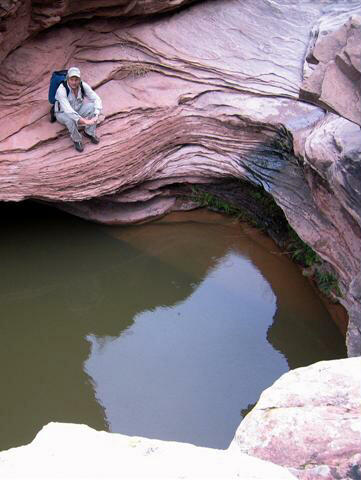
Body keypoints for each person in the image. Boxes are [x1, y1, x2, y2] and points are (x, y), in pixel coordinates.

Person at [55, 67, 102, 152]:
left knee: (93, 107)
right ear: (67, 79)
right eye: (71, 79)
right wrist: (85, 121)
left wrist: (96, 115)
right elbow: (68, 110)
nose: (74, 82)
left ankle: (89, 132)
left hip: (77, 109)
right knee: (70, 120)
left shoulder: (83, 85)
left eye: (76, 80)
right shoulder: (61, 90)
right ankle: (77, 139)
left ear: (79, 79)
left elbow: (96, 99)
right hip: (62, 113)